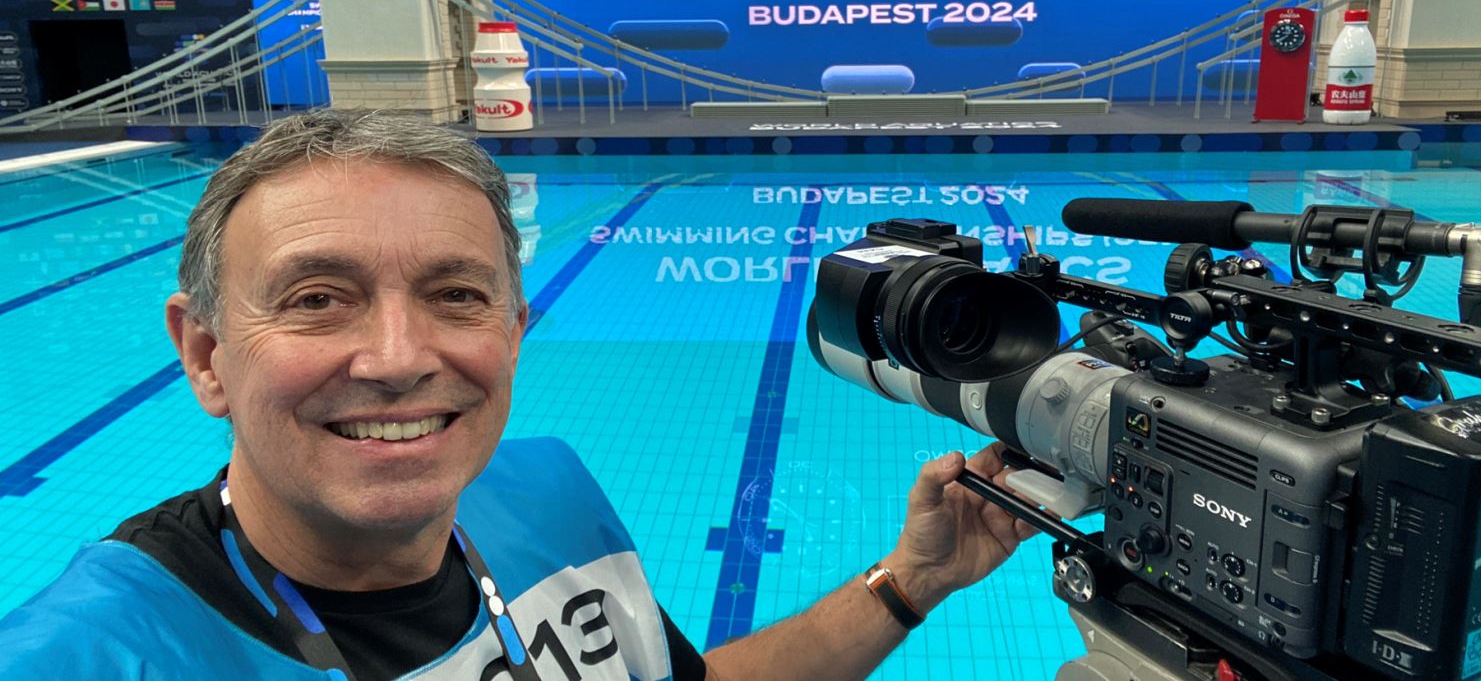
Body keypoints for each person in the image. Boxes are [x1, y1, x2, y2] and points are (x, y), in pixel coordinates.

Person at [0, 110, 1038, 680]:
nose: (397, 356)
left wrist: (909, 580)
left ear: (513, 331)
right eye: (319, 300)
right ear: (206, 354)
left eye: (456, 294)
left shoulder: (542, 493)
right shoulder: (89, 660)